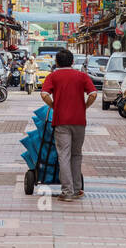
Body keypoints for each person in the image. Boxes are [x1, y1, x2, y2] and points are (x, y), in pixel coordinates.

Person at [40, 50, 96, 203]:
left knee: (63, 155)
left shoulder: (53, 76)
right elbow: (93, 94)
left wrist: (54, 105)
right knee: (76, 155)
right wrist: (84, 107)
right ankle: (77, 189)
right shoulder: (82, 76)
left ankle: (67, 191)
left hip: (61, 121)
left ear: (57, 62)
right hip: (79, 121)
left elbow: (44, 94)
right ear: (72, 62)